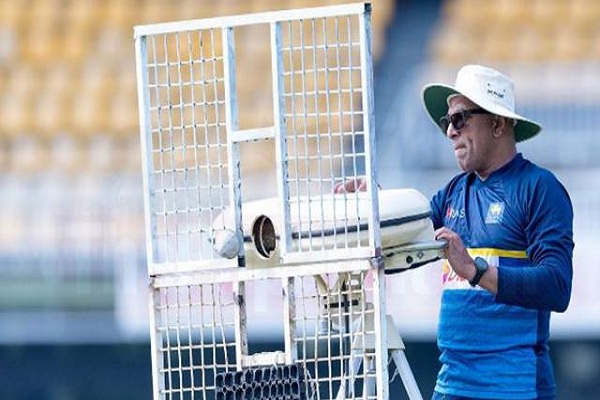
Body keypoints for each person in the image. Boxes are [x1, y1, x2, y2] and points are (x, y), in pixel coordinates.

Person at [336, 64, 574, 400]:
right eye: (446, 122)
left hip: (514, 388)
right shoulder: (452, 192)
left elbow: (557, 286)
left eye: (459, 119)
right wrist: (376, 205)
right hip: (451, 385)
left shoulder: (539, 188)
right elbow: (405, 242)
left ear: (497, 123)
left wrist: (476, 271)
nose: (449, 131)